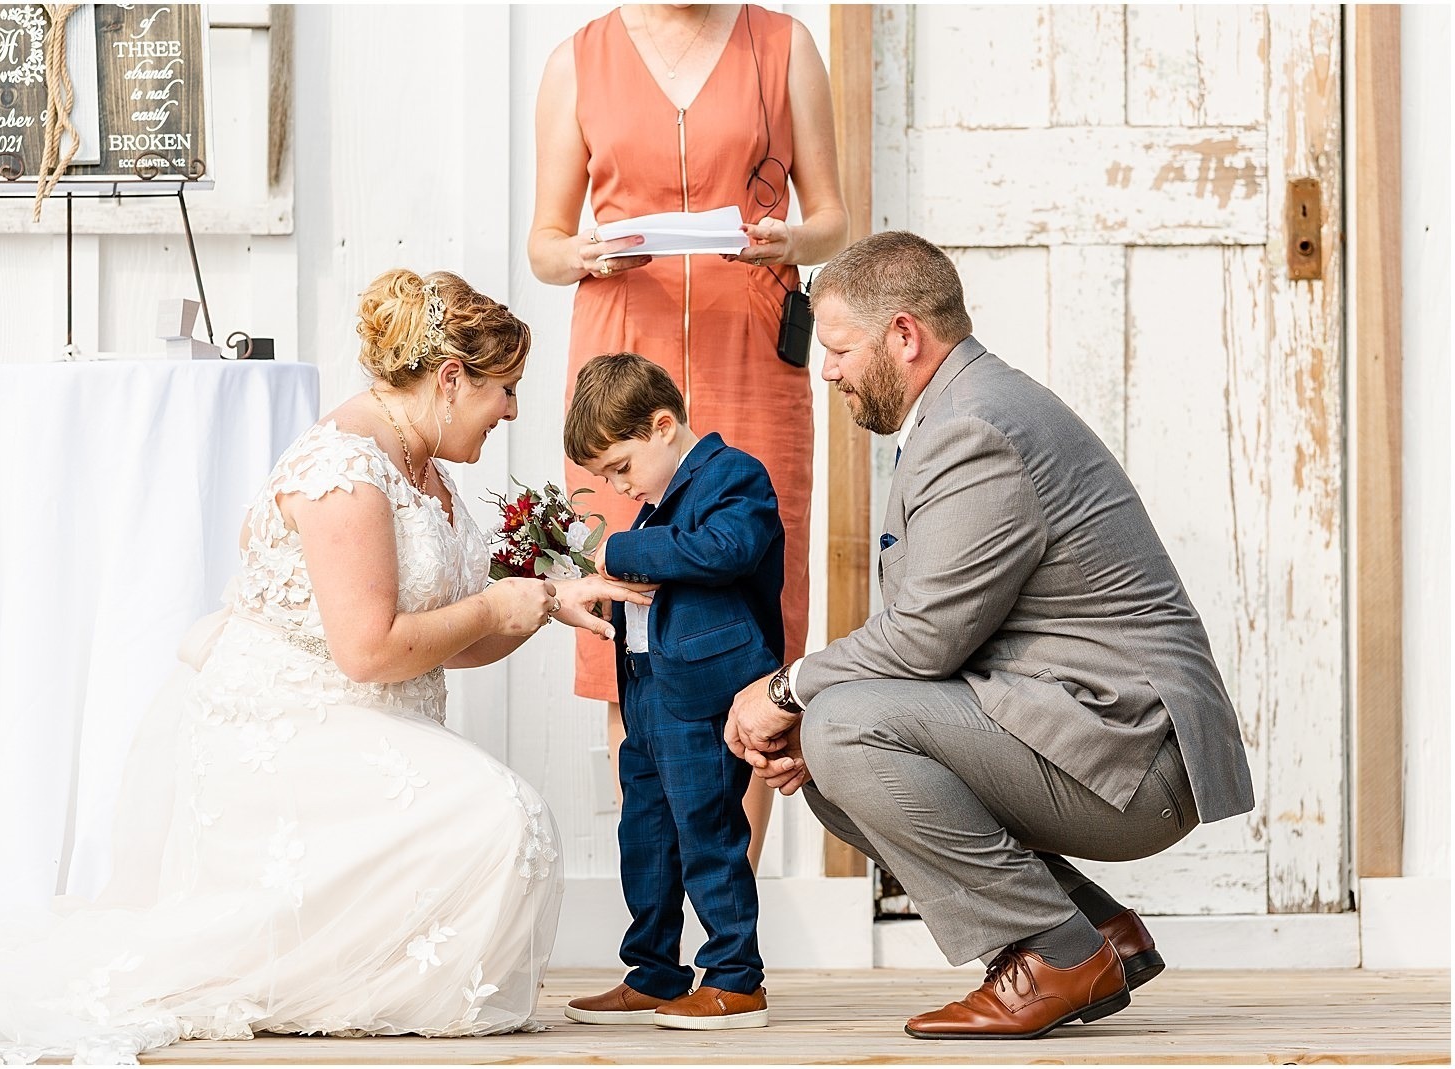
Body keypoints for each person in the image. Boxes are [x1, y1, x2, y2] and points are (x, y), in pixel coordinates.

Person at [0, 269, 651, 1063]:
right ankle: (337, 987)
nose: (511, 410)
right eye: (504, 390)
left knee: (504, 817)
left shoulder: (429, 472)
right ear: (451, 379)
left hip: (371, 721)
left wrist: (548, 600)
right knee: (505, 817)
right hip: (291, 725)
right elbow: (369, 648)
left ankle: (360, 989)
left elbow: (456, 637)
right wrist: (492, 605)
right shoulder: (342, 470)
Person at [726, 232, 1256, 1040]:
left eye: (837, 348)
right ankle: (1096, 930)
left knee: (838, 723)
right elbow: (937, 638)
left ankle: (1051, 953)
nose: (824, 368)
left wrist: (784, 687)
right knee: (832, 752)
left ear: (904, 335)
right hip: (1084, 728)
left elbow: (922, 643)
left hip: (1135, 752)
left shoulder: (974, 428)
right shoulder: (964, 409)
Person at [529, 3, 848, 865]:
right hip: (620, 355)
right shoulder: (576, 60)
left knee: (754, 611)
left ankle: (730, 935)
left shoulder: (784, 45)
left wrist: (789, 237)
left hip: (751, 350)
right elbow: (545, 245)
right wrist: (586, 255)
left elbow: (833, 221)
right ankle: (656, 934)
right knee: (628, 619)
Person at [560, 353, 782, 1030]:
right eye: (605, 478)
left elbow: (725, 550)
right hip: (647, 688)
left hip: (703, 691)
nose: (618, 487)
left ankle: (736, 976)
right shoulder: (657, 504)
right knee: (645, 832)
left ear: (662, 426)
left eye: (620, 468)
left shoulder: (733, 477)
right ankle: (655, 969)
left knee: (708, 828)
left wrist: (622, 551)